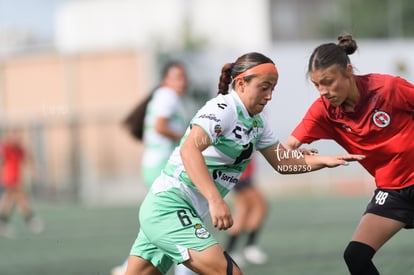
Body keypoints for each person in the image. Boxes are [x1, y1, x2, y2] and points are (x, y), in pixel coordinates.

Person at [124, 51, 364, 275]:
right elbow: (189, 150)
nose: (269, 96)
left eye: (272, 89)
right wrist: (215, 200)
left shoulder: (257, 123)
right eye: (264, 88)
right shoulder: (223, 109)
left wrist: (325, 160)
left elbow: (282, 162)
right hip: (169, 206)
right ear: (240, 84)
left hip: (179, 210)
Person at [283, 34, 414, 275]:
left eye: (329, 82)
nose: (323, 91)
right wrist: (311, 158)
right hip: (392, 191)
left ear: (348, 71)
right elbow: (284, 153)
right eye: (316, 85)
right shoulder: (323, 112)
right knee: (356, 256)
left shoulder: (388, 88)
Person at [112, 61, 193, 275]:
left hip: (154, 163)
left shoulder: (164, 96)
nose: (182, 82)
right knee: (177, 216)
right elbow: (160, 126)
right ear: (166, 79)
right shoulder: (168, 96)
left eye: (184, 77)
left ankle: (126, 268)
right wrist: (190, 138)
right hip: (160, 165)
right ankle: (185, 270)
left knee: (164, 218)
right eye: (177, 77)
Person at [225, 156, 269, 266]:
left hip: (242, 173)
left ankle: (232, 251)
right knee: (258, 206)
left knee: (244, 211)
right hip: (240, 175)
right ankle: (249, 247)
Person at [0, 128, 44, 237]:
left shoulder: (19, 149)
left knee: (12, 200)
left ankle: (4, 222)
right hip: (8, 178)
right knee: (20, 198)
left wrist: (35, 170)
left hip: (17, 178)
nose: (16, 137)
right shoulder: (6, 147)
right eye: (14, 134)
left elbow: (28, 159)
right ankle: (31, 220)